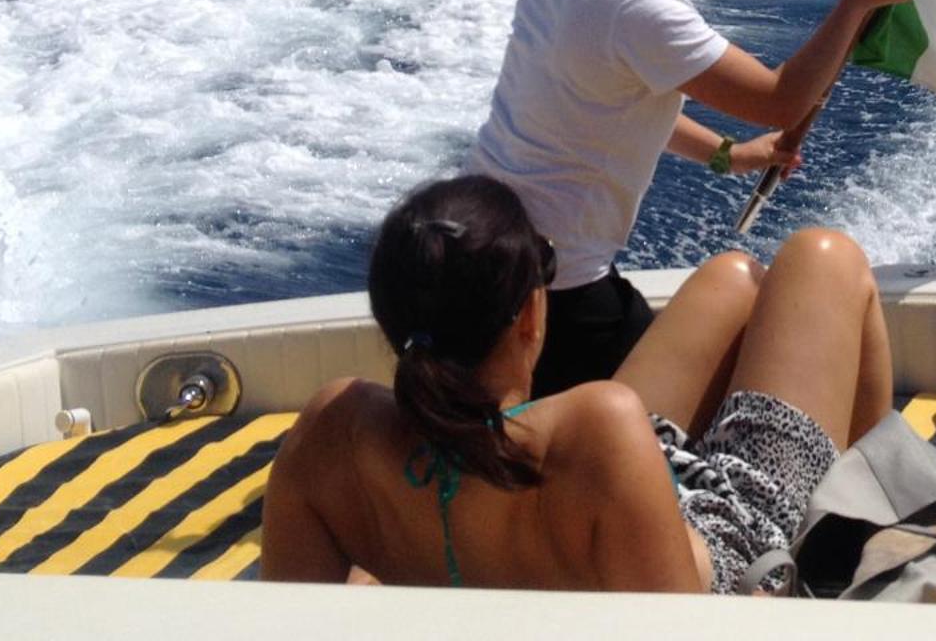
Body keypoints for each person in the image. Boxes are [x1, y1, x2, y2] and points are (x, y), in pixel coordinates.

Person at [467, 0, 925, 395]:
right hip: (562, 300)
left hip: (485, 267)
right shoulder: (635, 5)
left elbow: (610, 107)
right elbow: (781, 97)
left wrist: (730, 154)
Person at [261, 174, 893, 593]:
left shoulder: (331, 431)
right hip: (733, 557)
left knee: (734, 278)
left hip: (610, 516)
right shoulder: (595, 425)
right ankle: (863, 536)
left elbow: (297, 622)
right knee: (824, 257)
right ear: (533, 316)